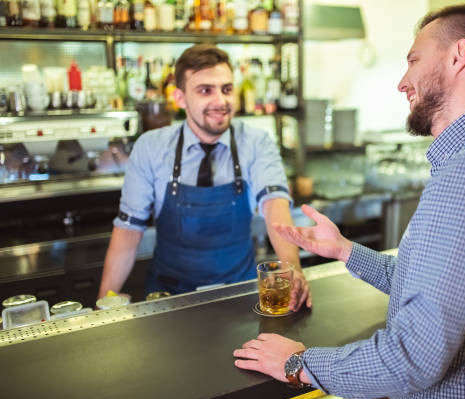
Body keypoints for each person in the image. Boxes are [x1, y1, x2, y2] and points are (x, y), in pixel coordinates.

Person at [233, 5, 465, 399]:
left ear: (459, 55)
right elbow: (432, 284)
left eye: (414, 61)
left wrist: (299, 363)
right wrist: (345, 250)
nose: (403, 82)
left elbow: (413, 357)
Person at [98, 44, 311, 311]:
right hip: (168, 298)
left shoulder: (257, 142)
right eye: (205, 90)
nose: (220, 101)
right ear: (180, 98)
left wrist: (292, 270)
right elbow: (129, 229)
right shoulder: (151, 147)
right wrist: (106, 300)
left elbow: (275, 208)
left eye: (227, 89)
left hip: (240, 293)